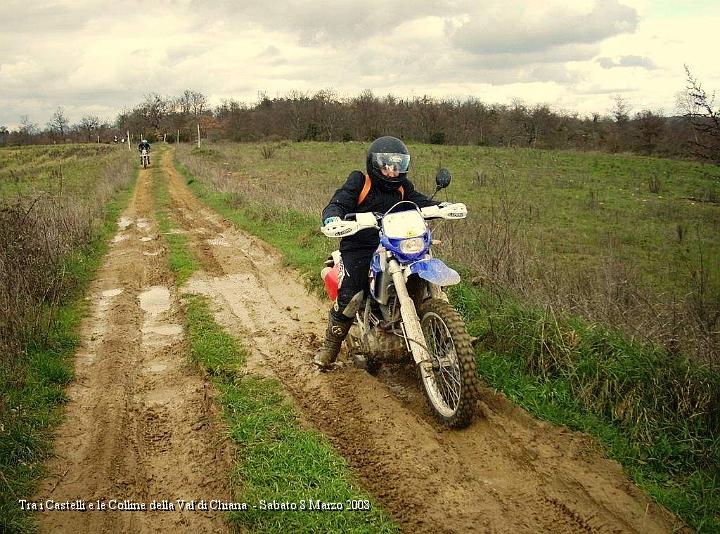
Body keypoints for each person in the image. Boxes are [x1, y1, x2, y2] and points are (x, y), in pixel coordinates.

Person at [314, 136, 440, 370]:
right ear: (375, 165)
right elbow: (339, 202)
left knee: (425, 270)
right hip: (361, 246)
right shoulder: (359, 181)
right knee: (351, 296)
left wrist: (442, 206)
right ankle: (330, 346)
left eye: (398, 166)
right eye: (387, 166)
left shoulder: (404, 187)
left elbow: (420, 202)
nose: (392, 172)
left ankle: (440, 332)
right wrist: (333, 216)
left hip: (396, 244)